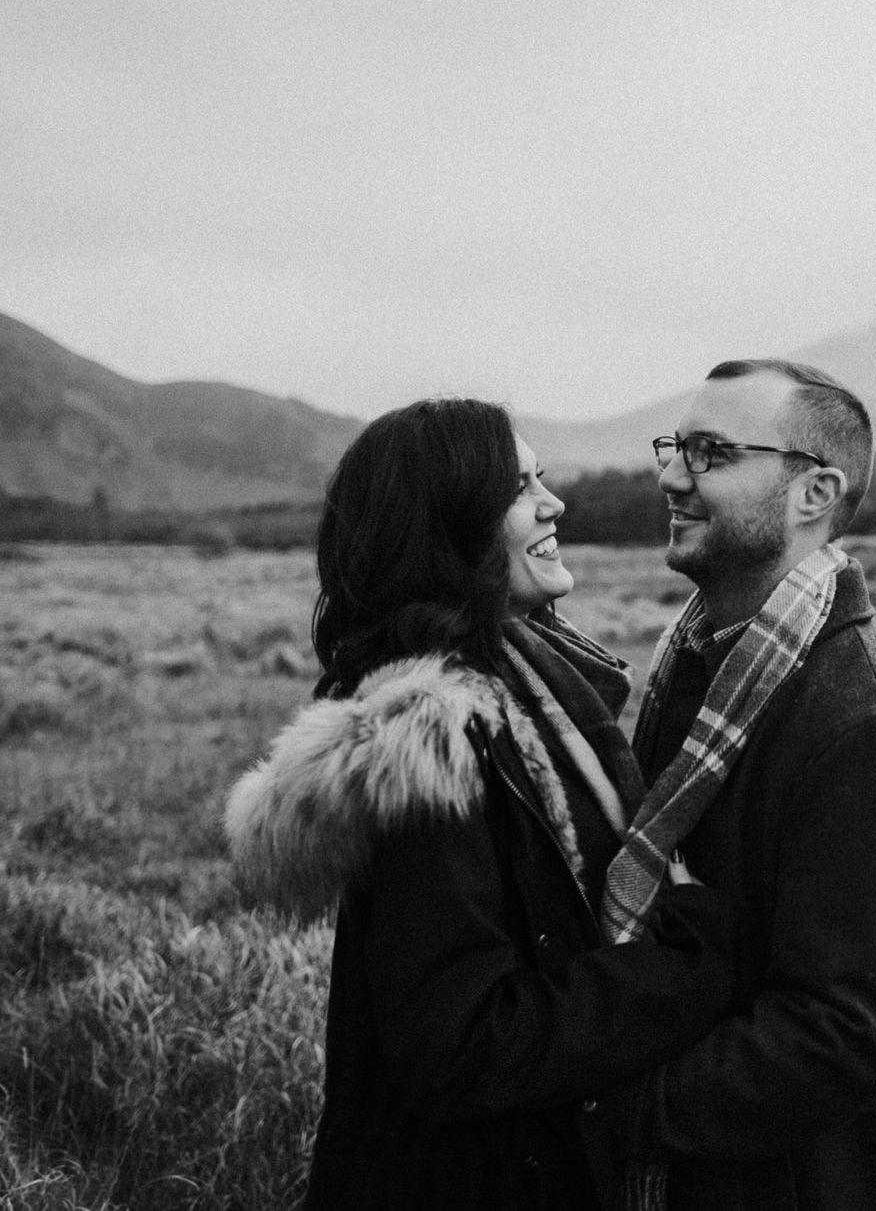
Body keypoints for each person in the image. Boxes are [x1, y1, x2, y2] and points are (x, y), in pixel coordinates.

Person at [224, 397, 734, 1211]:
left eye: (543, 476)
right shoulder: (434, 747)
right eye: (520, 485)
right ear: (452, 528)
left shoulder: (527, 700)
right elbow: (459, 1047)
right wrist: (687, 963)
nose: (553, 501)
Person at [601, 359, 876, 1211]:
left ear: (814, 492)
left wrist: (624, 1101)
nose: (670, 475)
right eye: (674, 447)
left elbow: (842, 1034)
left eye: (710, 452)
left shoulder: (872, 728)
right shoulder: (699, 669)